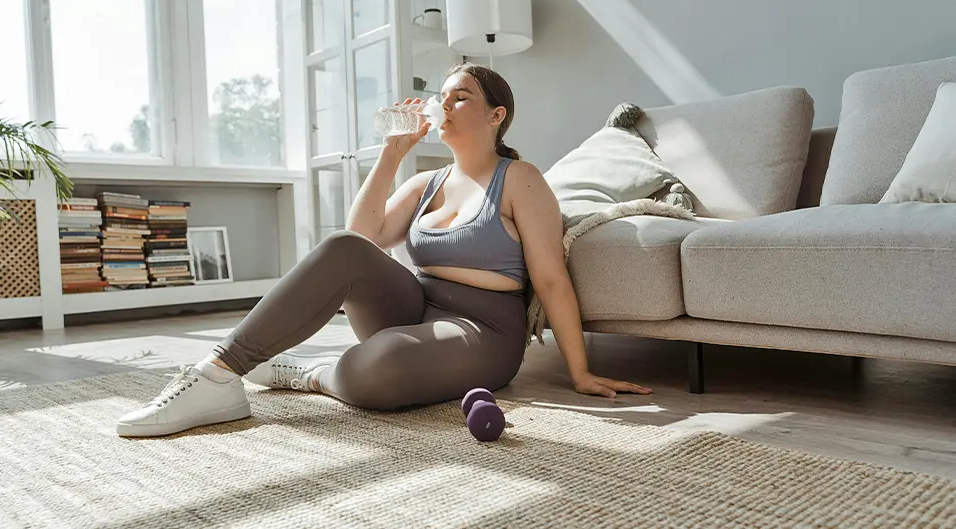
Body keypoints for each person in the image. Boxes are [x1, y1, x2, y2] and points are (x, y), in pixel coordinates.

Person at [116, 62, 652, 438]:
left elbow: (552, 278)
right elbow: (360, 242)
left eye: (461, 95)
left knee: (381, 367)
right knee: (342, 248)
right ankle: (217, 375)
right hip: (410, 307)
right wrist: (392, 155)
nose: (445, 103)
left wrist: (578, 371)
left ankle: (313, 375)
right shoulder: (425, 182)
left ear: (497, 115)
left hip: (483, 330)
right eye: (442, 95)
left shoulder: (521, 179)